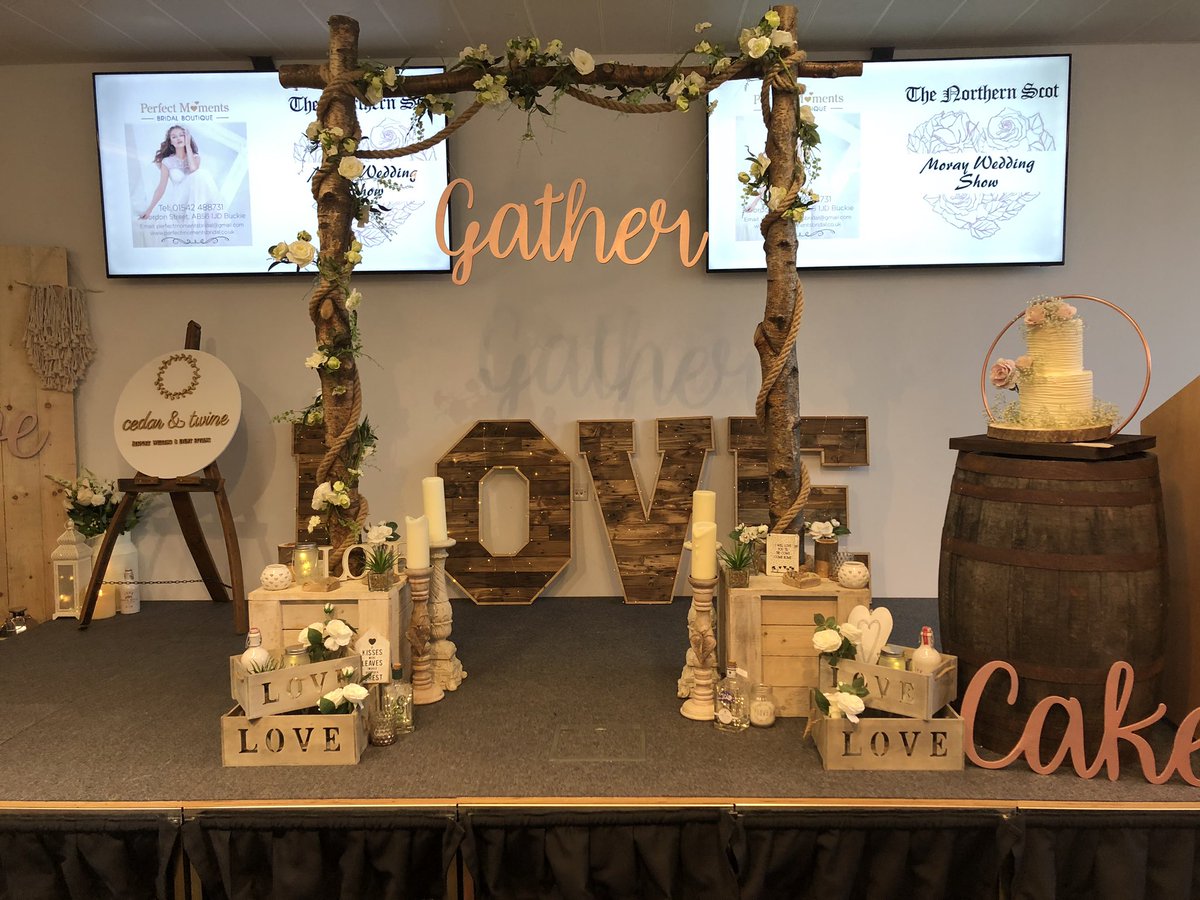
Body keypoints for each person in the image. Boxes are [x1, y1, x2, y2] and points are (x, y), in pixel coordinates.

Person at [138, 125, 221, 240]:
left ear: (187, 137)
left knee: (201, 174)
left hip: (193, 203)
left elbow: (193, 170)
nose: (178, 138)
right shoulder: (167, 162)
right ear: (170, 142)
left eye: (181, 135)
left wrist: (188, 145)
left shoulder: (195, 157)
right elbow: (161, 188)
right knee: (201, 174)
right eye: (174, 137)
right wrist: (149, 209)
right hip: (178, 203)